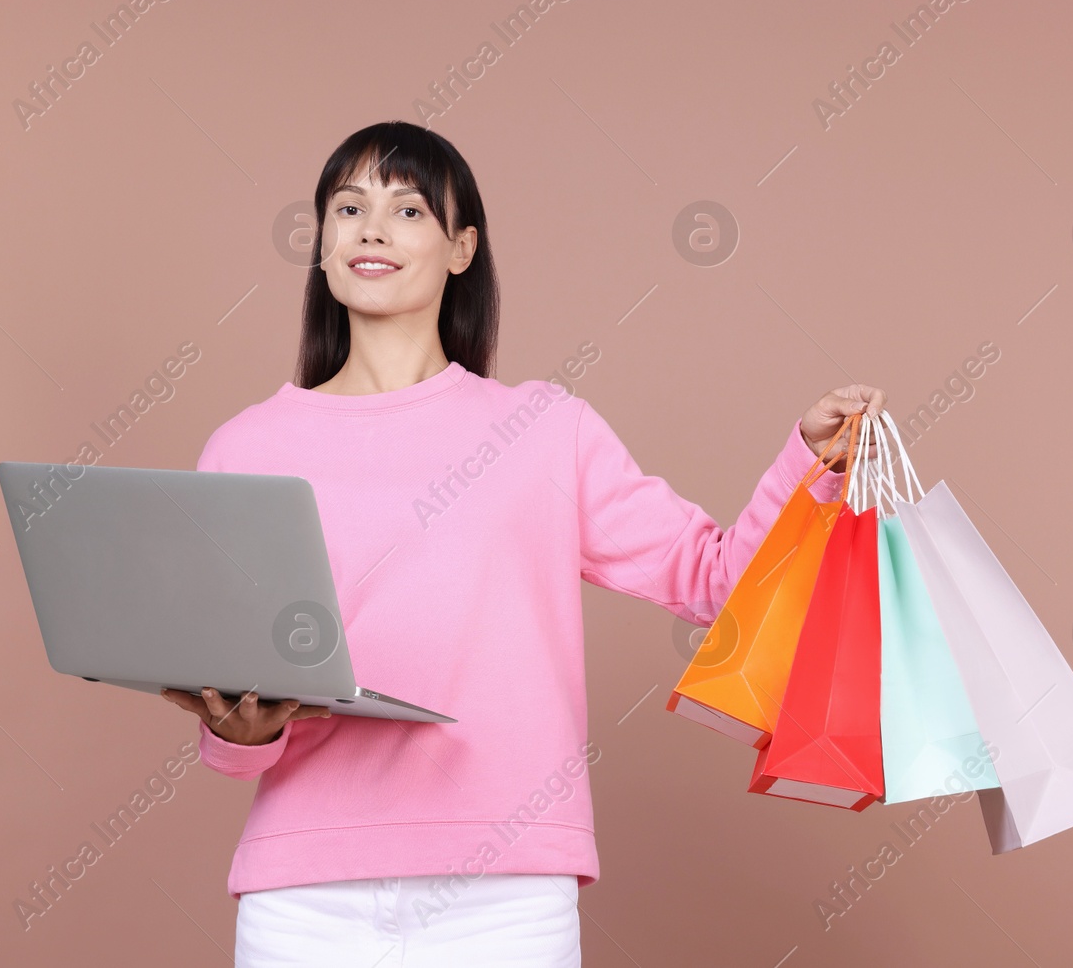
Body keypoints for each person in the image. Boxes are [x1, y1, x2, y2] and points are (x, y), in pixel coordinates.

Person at [162, 120, 885, 967]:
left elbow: (716, 581)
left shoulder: (543, 431)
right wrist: (238, 734)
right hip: (303, 893)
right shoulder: (246, 447)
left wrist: (809, 462)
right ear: (321, 242)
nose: (371, 226)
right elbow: (233, 716)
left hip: (503, 894)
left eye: (408, 209)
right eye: (348, 205)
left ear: (462, 248)